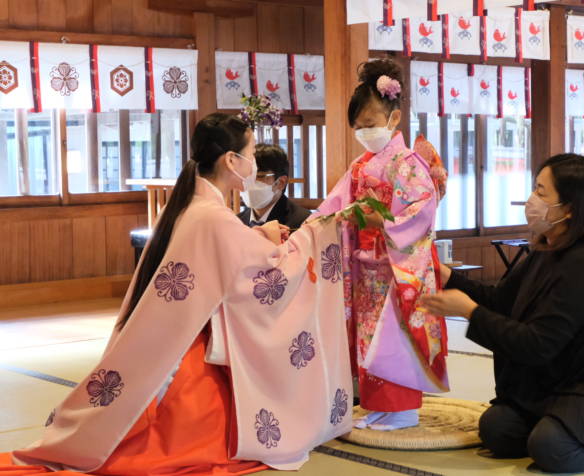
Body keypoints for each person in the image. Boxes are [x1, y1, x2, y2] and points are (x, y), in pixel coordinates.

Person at [0, 113, 352, 474]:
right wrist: (314, 234)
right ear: (232, 161)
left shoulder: (195, 206)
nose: (253, 164)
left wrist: (261, 237)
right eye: (250, 154)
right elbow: (266, 273)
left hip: (173, 341)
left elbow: (236, 252)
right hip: (189, 354)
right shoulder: (213, 216)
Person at [421, 154, 584, 473]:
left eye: (542, 192)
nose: (532, 200)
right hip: (561, 377)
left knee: (549, 447)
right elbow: (502, 301)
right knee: (497, 429)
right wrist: (448, 277)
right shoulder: (547, 248)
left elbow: (537, 344)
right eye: (534, 189)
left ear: (569, 208)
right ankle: (558, 424)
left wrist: (470, 313)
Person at [316, 58, 448, 432]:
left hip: (398, 266)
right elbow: (335, 203)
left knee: (392, 337)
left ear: (394, 119)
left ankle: (402, 408)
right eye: (358, 127)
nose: (364, 132)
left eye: (371, 124)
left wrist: (382, 221)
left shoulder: (408, 163)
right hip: (366, 266)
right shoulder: (361, 164)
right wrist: (314, 226)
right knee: (367, 337)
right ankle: (379, 406)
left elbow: (422, 212)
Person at [238, 144, 311, 230]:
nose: (249, 183)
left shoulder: (303, 222)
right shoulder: (237, 222)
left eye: (259, 176)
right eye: (246, 176)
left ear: (281, 182)